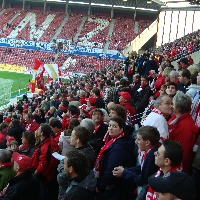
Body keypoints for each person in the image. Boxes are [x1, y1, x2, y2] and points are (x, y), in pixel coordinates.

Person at [95, 117, 136, 200]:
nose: (110, 128)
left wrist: (100, 186)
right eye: (109, 125)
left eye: (114, 126)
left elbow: (112, 169)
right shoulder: (114, 140)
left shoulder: (118, 148)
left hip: (116, 189)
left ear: (121, 130)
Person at [113, 126, 159, 197]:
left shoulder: (152, 156)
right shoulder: (153, 150)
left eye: (139, 139)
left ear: (147, 142)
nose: (136, 141)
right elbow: (142, 168)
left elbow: (142, 181)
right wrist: (125, 170)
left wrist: (125, 173)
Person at [168, 92, 198, 175]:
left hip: (178, 169)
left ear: (178, 109)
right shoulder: (176, 117)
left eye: (172, 104)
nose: (170, 106)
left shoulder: (185, 127)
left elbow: (183, 152)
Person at [31, 123, 59, 200]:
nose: (36, 130)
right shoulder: (51, 141)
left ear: (42, 133)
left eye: (38, 129)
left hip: (44, 177)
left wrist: (34, 175)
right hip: (49, 175)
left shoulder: (46, 146)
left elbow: (43, 165)